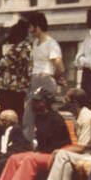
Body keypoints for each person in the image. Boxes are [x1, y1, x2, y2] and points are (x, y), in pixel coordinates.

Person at [0, 88, 72, 180]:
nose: (33, 104)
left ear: (45, 103)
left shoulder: (56, 119)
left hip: (56, 154)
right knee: (14, 158)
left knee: (29, 159)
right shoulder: (38, 117)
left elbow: (59, 144)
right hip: (42, 153)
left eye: (37, 101)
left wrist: (39, 153)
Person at [23, 11, 67, 144]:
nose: (30, 30)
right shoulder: (35, 43)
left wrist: (56, 77)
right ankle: (30, 143)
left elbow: (60, 67)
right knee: (30, 115)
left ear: (37, 26)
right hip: (34, 80)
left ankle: (41, 142)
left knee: (39, 112)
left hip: (45, 80)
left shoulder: (51, 44)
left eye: (31, 27)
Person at [0, 18, 32, 122]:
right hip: (15, 88)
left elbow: (2, 63)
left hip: (12, 88)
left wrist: (1, 44)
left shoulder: (20, 47)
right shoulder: (24, 46)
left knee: (9, 117)